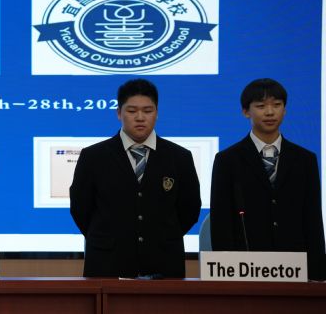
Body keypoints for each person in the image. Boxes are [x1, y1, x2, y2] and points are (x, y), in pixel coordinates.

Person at [69, 78, 201, 278]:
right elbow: (80, 209)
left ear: (157, 113)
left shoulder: (179, 157)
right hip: (107, 264)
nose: (140, 117)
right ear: (118, 113)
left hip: (164, 263)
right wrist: (107, 238)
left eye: (147, 111)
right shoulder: (93, 157)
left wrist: (161, 237)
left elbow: (189, 210)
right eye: (132, 111)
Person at [210, 78, 325, 280]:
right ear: (246, 111)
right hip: (245, 269)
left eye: (277, 105)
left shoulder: (305, 160)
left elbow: (313, 219)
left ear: (285, 110)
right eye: (261, 106)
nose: (270, 112)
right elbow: (221, 223)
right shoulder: (227, 160)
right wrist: (226, 273)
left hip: (295, 268)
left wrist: (318, 275)